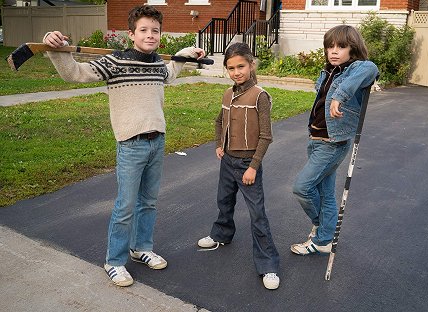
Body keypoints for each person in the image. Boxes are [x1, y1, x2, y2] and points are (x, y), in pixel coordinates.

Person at [42, 5, 205, 287]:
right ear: (131, 34)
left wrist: (188, 53)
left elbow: (170, 72)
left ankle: (141, 248)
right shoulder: (114, 63)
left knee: (149, 202)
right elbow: (75, 73)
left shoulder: (156, 64)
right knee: (125, 206)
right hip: (131, 145)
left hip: (157, 142)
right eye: (143, 30)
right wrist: (56, 47)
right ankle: (114, 261)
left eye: (155, 30)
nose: (150, 35)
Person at [197, 42, 280, 290]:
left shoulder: (260, 96)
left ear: (251, 65)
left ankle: (268, 265)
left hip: (247, 163)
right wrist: (218, 144)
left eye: (241, 66)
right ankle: (221, 234)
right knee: (224, 200)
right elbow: (219, 121)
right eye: (231, 68)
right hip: (228, 160)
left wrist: (254, 166)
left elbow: (266, 136)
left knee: (257, 214)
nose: (236, 72)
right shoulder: (227, 94)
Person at [290, 25, 379, 256]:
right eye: (330, 46)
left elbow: (371, 68)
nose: (334, 51)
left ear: (353, 49)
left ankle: (323, 229)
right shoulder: (329, 71)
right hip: (316, 139)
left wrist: (339, 97)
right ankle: (323, 241)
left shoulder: (356, 69)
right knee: (326, 194)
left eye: (341, 46)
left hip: (333, 142)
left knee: (302, 187)